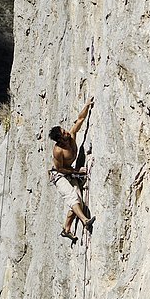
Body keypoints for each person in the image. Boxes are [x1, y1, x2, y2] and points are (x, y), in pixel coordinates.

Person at [49, 96, 96, 244]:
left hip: (69, 171)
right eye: (64, 134)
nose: (67, 133)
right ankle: (85, 221)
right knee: (73, 198)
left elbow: (80, 119)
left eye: (65, 131)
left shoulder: (71, 137)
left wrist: (87, 105)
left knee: (78, 203)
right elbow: (60, 168)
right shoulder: (58, 151)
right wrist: (76, 171)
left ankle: (66, 229)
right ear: (59, 140)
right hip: (59, 175)